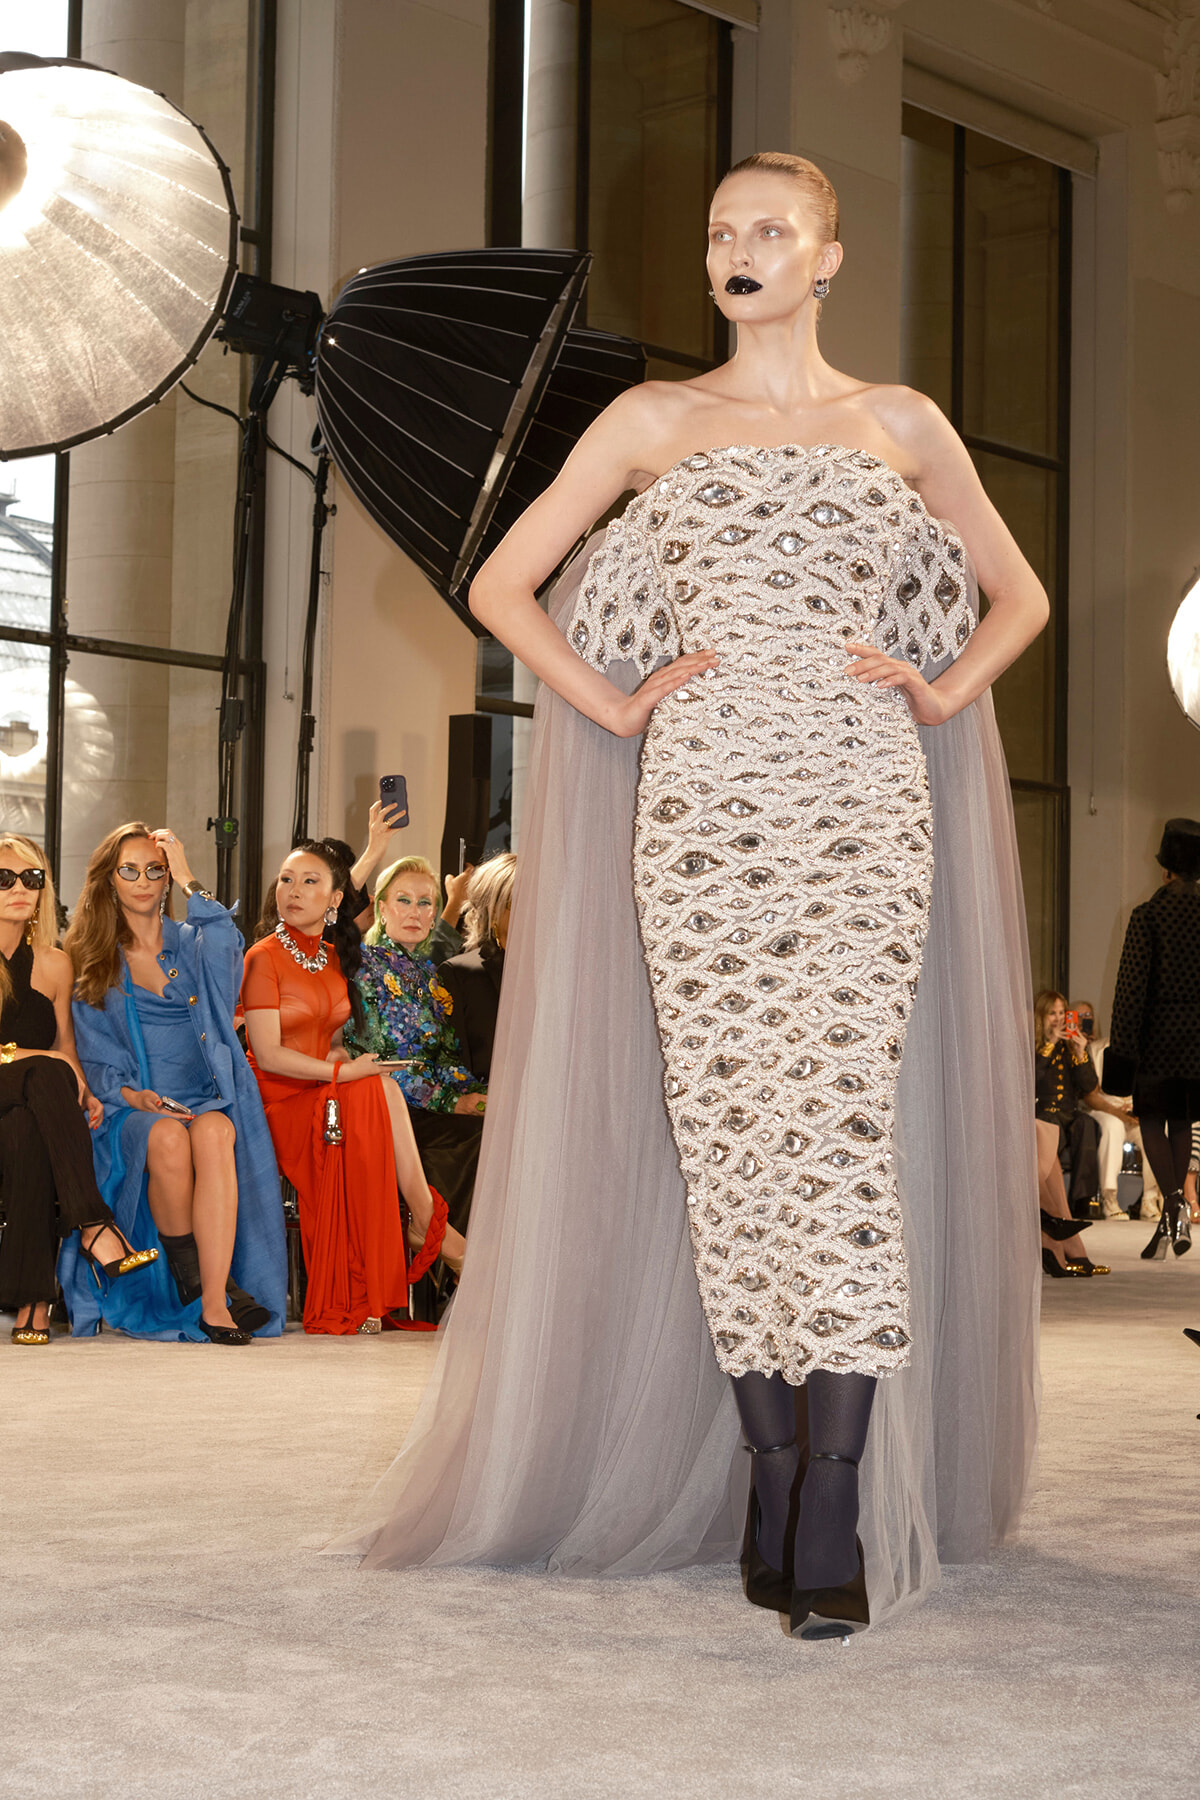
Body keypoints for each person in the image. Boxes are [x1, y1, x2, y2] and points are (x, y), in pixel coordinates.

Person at [332, 152, 1045, 1640]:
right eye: (721, 231)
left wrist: (941, 689)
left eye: (771, 230)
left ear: (829, 258)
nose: (739, 249)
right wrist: (613, 699)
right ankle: (770, 1471)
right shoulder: (652, 420)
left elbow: (1019, 594)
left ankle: (833, 1498)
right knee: (732, 1142)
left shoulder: (900, 422)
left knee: (836, 1130)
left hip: (859, 807)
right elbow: (501, 585)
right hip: (705, 816)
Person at [64, 824, 286, 1344]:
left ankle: (212, 1303)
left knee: (213, 1134)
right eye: (129, 870)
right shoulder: (91, 956)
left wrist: (188, 877)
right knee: (166, 1137)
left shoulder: (191, 943)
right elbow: (92, 1056)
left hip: (204, 1097)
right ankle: (204, 1284)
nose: (143, 881)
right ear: (109, 880)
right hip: (130, 1106)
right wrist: (132, 1096)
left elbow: (232, 947)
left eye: (154, 870)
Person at [241, 839, 466, 1335]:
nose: (293, 892)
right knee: (371, 1087)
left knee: (378, 1084)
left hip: (327, 1088)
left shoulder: (331, 957)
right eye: (286, 880)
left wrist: (349, 1065)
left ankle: (420, 1216)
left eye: (310, 882)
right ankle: (427, 1221)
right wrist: (345, 1073)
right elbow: (271, 1054)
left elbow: (335, 1043)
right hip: (280, 1099)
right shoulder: (262, 957)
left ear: (334, 899)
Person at [0, 834, 158, 1344]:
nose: (19, 889)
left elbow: (66, 1046)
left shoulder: (54, 962)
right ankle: (94, 1226)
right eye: (4, 879)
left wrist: (85, 1091)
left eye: (31, 878)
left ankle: (33, 1303)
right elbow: (50, 1057)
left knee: (29, 1129)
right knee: (46, 1075)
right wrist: (46, 1061)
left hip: (22, 1107)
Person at [346, 856, 487, 1238]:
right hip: (388, 1109)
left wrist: (474, 1093)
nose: (414, 912)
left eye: (425, 902)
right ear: (381, 908)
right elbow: (380, 1060)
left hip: (432, 1105)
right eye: (403, 900)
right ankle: (455, 1261)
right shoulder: (364, 965)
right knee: (477, 1142)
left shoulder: (431, 973)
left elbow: (443, 1056)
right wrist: (452, 1102)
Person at [1105, 818, 1200, 1261]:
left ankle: (1175, 1204)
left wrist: (1122, 1053)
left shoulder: (1148, 916)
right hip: (1196, 1041)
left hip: (1156, 1035)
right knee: (1182, 1122)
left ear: (1165, 870)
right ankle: (1171, 1218)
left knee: (1150, 1122)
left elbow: (1130, 990)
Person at [1033, 992, 1107, 1277]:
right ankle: (1064, 1236)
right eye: (1053, 1013)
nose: (1060, 1018)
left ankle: (1079, 1203)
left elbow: (1090, 1087)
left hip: (1068, 1115)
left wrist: (1080, 1054)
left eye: (1063, 1012)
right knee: (1048, 1137)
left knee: (1087, 1125)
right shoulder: (1039, 1046)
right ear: (1041, 1017)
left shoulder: (1071, 1046)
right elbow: (1032, 1080)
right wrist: (1049, 1045)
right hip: (1044, 1115)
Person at [1072, 998, 1159, 1220]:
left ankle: (1149, 1199)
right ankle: (1109, 1198)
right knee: (1113, 1126)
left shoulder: (1144, 1052)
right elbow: (1090, 1094)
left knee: (1154, 1129)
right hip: (1105, 1110)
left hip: (1133, 1112)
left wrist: (1139, 1106)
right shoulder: (1095, 1049)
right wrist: (1119, 1113)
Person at [439, 852, 516, 1085]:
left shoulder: (558, 977)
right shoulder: (459, 973)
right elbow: (452, 1068)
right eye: (518, 903)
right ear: (494, 910)